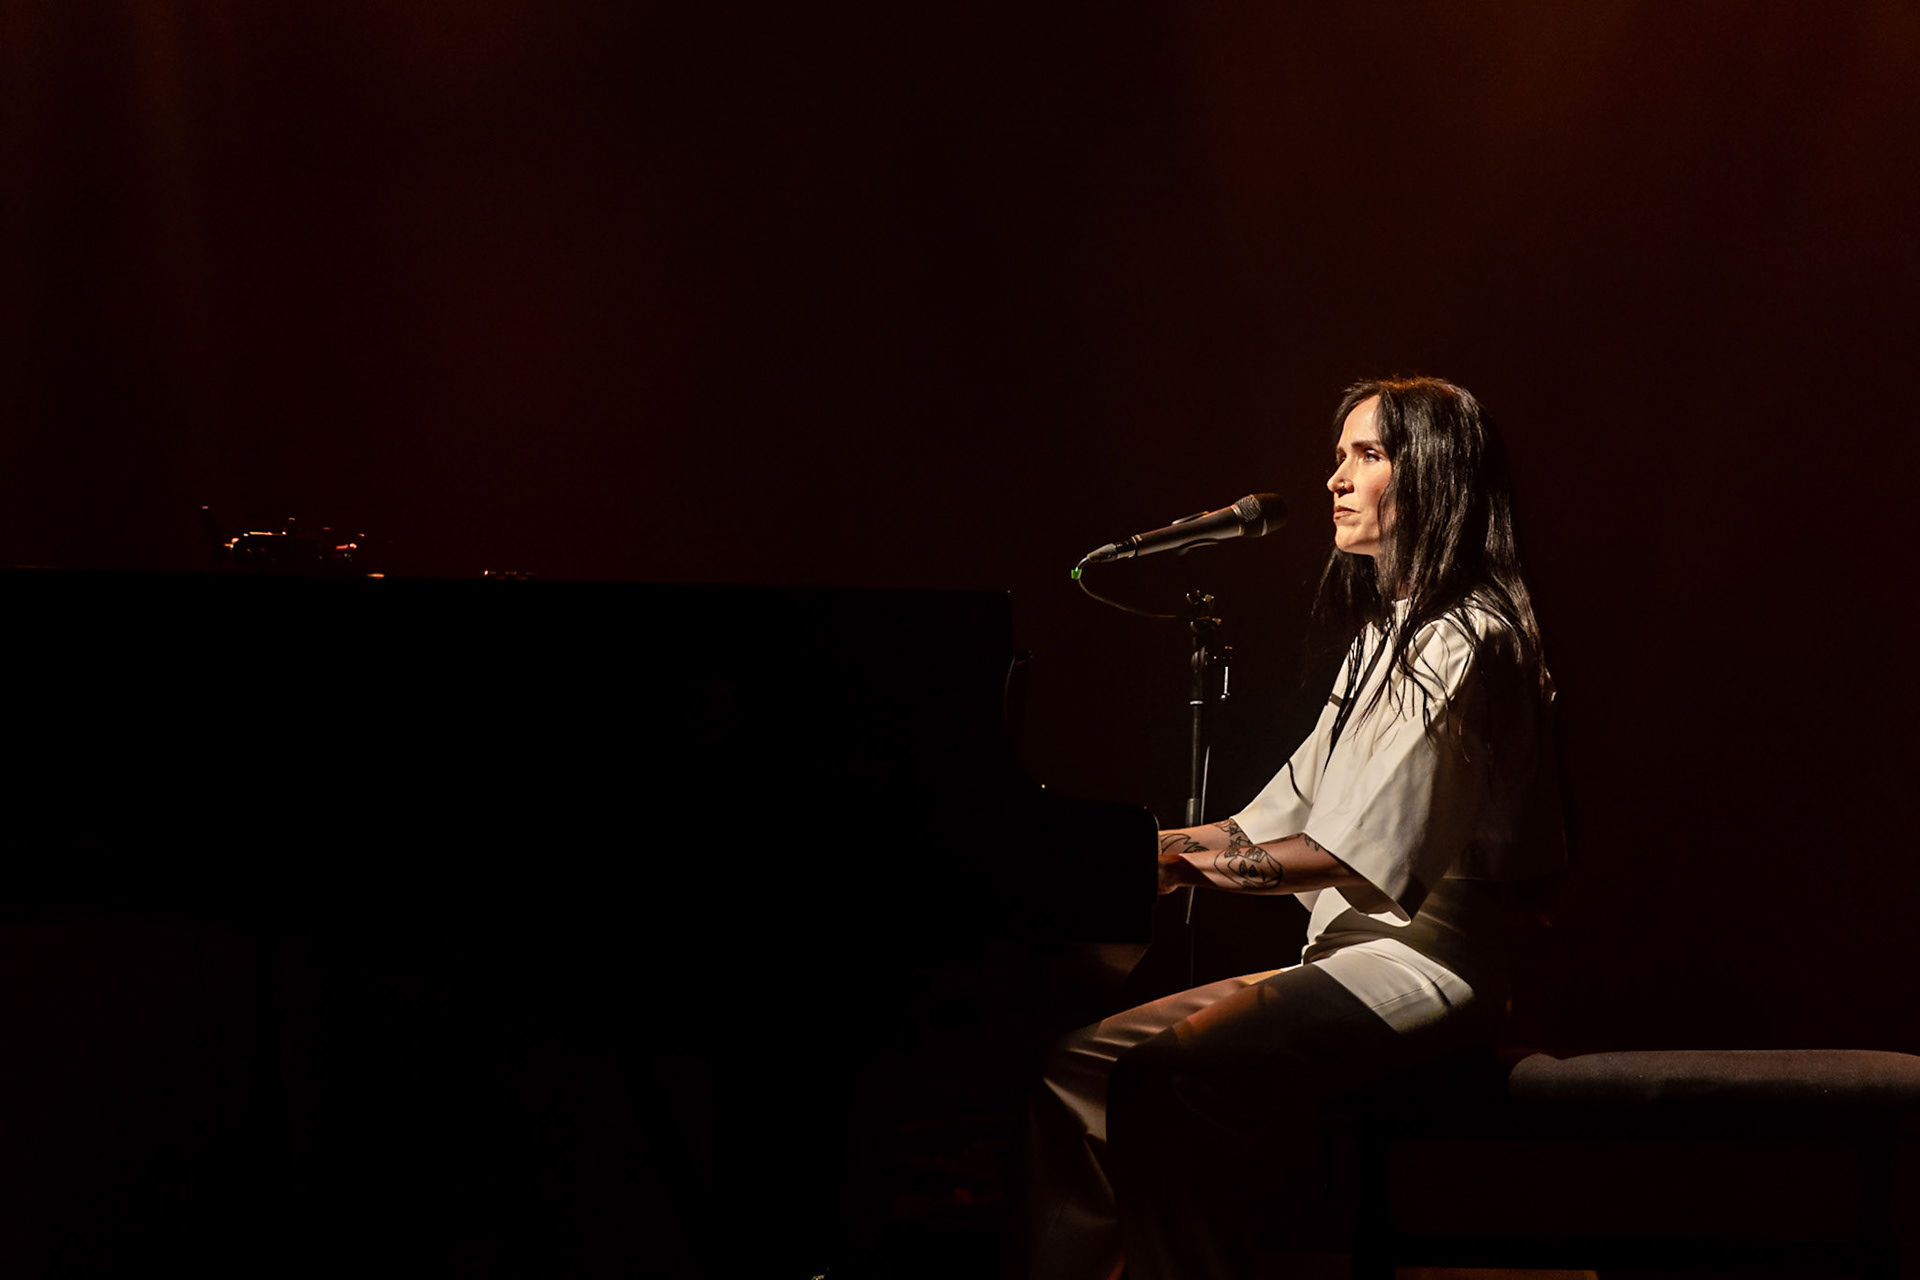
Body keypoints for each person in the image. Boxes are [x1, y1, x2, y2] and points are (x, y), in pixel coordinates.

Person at [1015, 376, 1566, 1280]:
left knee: (1165, 1080)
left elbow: (1334, 857)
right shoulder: (1383, 639)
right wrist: (1124, 851)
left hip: (1434, 965)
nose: (1335, 479)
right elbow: (1268, 821)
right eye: (1339, 455)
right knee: (1076, 1068)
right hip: (1345, 957)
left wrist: (1163, 867)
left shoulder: (1469, 638)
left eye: (1367, 454)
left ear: (1433, 474)